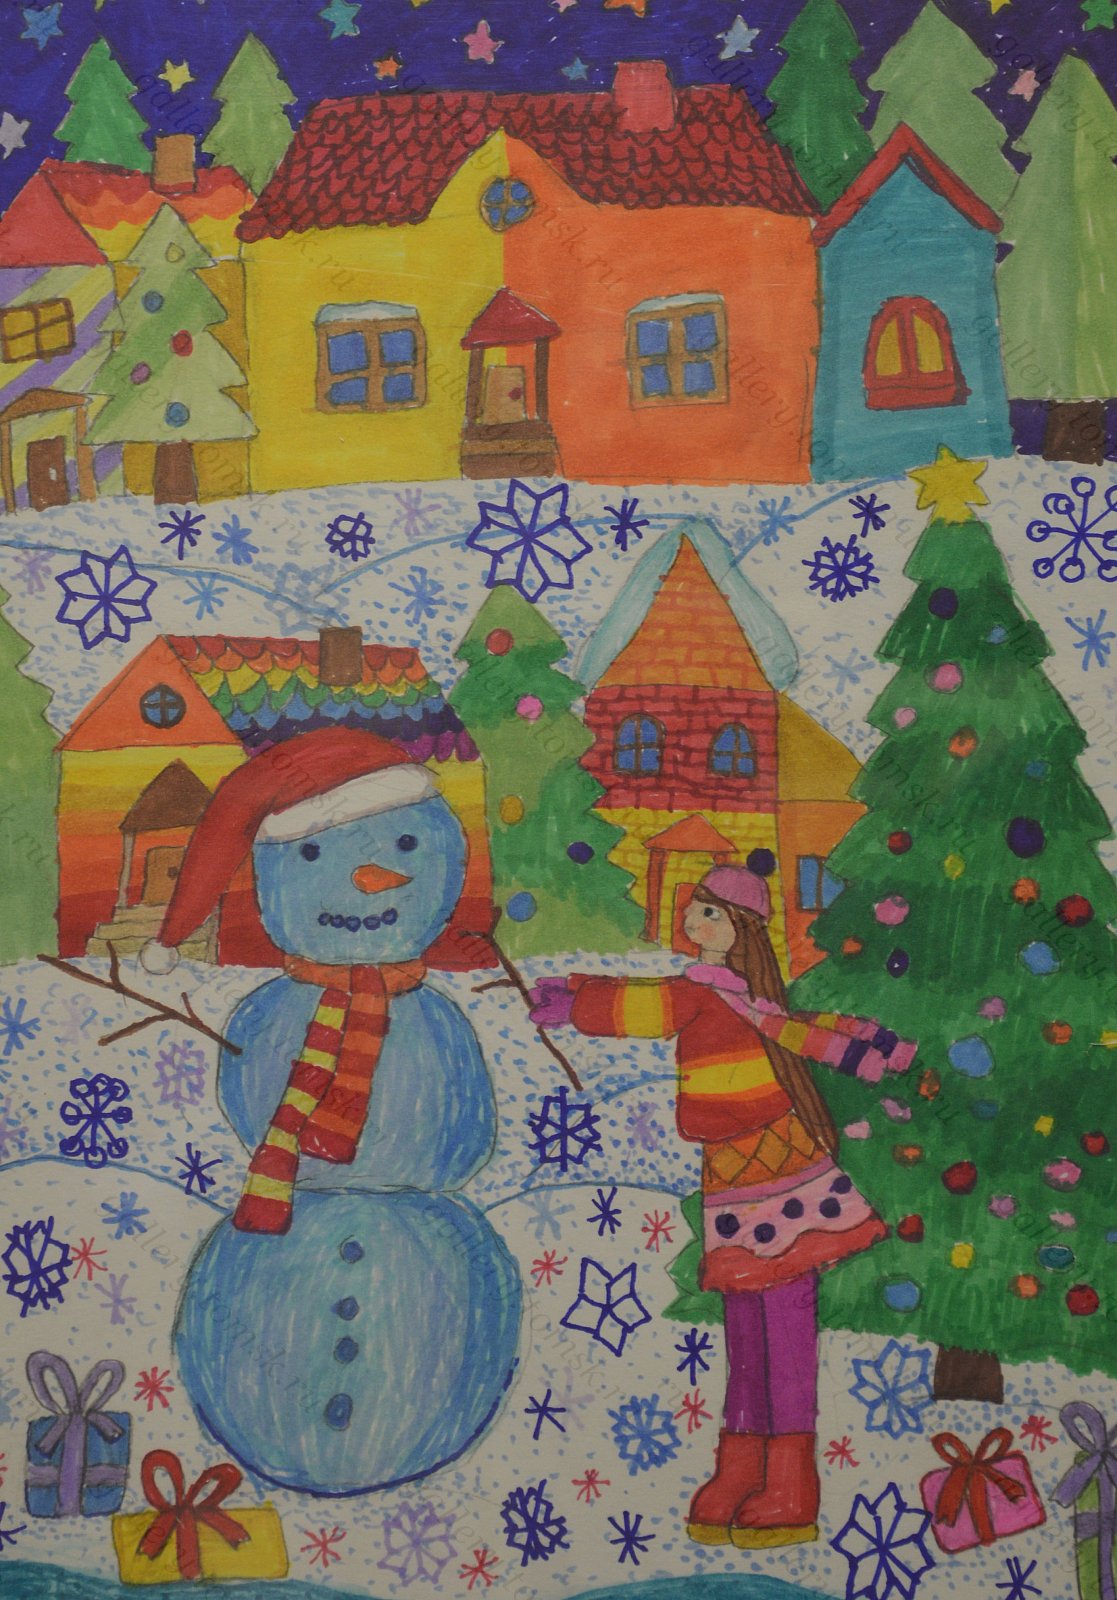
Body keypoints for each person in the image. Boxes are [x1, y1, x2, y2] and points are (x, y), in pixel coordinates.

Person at [529, 849, 916, 1550]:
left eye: (710, 911)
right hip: (734, 1175)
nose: (695, 920)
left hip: (779, 1171)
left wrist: (578, 1005)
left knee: (781, 1323)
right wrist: (578, 987)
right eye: (695, 908)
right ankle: (739, 1468)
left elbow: (649, 1007)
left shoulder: (722, 996)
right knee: (745, 1319)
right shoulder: (719, 990)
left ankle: (791, 1483)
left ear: (740, 928)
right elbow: (650, 994)